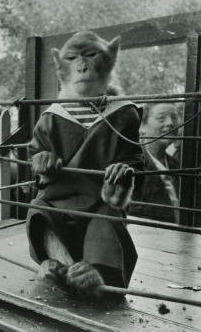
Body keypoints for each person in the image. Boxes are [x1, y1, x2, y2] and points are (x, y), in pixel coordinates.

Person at [27, 31, 144, 300]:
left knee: (107, 215)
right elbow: (35, 158)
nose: (82, 66)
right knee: (38, 209)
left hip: (100, 206)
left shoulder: (124, 113)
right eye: (72, 59)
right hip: (59, 205)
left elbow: (133, 162)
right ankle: (63, 266)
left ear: (111, 57)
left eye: (91, 56)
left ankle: (100, 276)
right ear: (60, 65)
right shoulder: (51, 117)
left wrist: (122, 181)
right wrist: (41, 165)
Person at [129, 103, 181, 223]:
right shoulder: (133, 165)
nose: (170, 123)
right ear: (142, 126)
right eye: (161, 118)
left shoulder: (176, 164)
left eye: (174, 117)